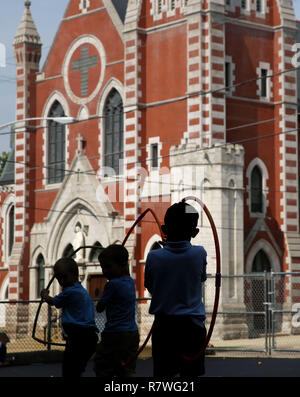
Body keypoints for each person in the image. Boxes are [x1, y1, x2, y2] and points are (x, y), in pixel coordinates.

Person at [144, 201, 207, 377]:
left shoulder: (153, 256)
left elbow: (150, 286)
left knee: (164, 376)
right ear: (195, 233)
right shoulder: (199, 253)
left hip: (164, 328)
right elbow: (200, 280)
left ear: (164, 230)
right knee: (191, 376)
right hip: (192, 328)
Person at [41, 257, 98, 378]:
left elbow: (53, 302)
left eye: (64, 277)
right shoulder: (80, 290)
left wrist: (45, 295)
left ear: (75, 275)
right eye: (58, 278)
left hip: (80, 336)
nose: (61, 281)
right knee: (74, 369)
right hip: (86, 336)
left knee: (69, 370)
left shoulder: (71, 292)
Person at [94, 244, 139, 377]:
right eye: (103, 267)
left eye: (108, 267)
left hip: (115, 333)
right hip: (132, 333)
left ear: (122, 265)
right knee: (127, 368)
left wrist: (102, 297)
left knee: (103, 366)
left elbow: (100, 307)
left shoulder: (112, 285)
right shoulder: (130, 282)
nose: (104, 271)